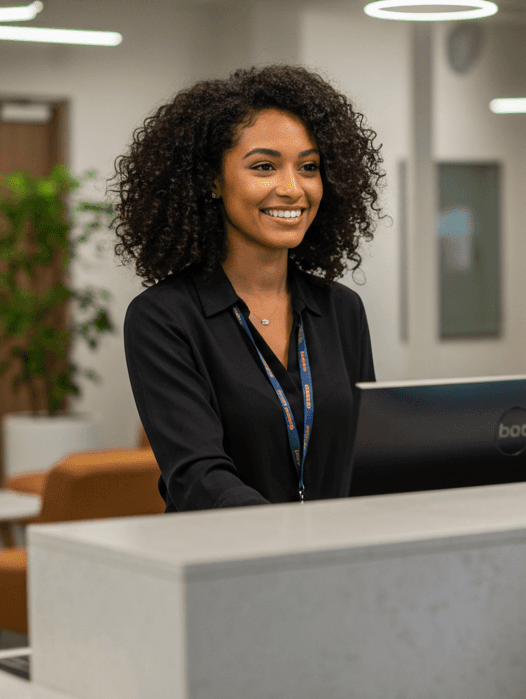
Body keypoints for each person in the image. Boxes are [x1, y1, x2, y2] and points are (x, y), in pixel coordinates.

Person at [112, 65, 383, 512]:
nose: (293, 189)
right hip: (222, 564)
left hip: (336, 562)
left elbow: (366, 455)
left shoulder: (341, 310)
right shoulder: (164, 317)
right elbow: (198, 476)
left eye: (309, 167)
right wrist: (289, 536)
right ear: (212, 180)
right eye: (264, 167)